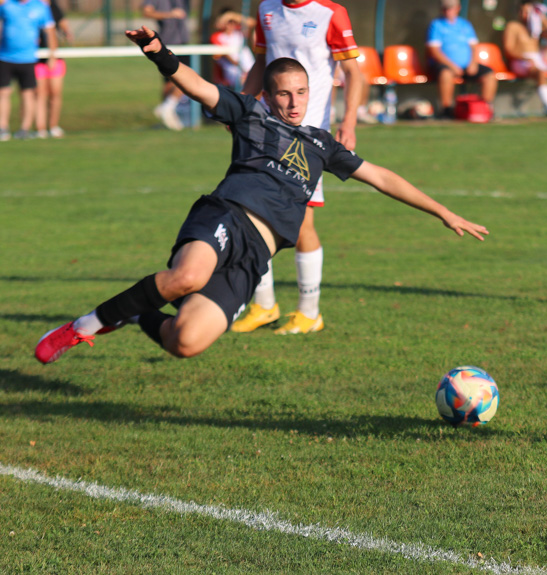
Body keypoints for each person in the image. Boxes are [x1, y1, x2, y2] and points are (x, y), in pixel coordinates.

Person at [34, 26, 489, 366]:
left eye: (301, 93)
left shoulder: (321, 144)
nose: (294, 102)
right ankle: (81, 327)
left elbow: (383, 178)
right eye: (284, 94)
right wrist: (160, 55)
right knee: (187, 277)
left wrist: (443, 212)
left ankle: (135, 314)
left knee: (185, 343)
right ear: (269, 97)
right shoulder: (250, 116)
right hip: (228, 215)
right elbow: (199, 87)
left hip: (256, 255)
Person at [232, 0, 365, 336]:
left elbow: (353, 72)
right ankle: (263, 305)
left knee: (302, 221)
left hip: (307, 138)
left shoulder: (330, 13)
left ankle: (309, 312)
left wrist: (349, 121)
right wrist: (241, 106)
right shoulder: (266, 9)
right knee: (252, 214)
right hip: (264, 132)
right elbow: (262, 64)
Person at [426, 0, 498, 119]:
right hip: (446, 66)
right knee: (445, 73)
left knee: (489, 74)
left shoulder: (465, 25)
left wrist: (473, 63)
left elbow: (473, 47)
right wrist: (453, 66)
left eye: (451, 8)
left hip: (467, 65)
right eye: (446, 8)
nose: (448, 11)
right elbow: (434, 51)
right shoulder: (436, 25)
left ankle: (484, 108)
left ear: (458, 8)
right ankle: (446, 110)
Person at [0, 0, 56, 141]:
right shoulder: (6, 5)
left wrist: (52, 54)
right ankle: (3, 128)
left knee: (28, 94)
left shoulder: (40, 7)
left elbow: (50, 31)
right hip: (5, 56)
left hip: (28, 58)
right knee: (3, 92)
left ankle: (24, 129)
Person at [503, 1, 547, 117]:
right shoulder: (513, 26)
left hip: (537, 59)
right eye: (521, 12)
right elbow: (508, 50)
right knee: (540, 73)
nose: (524, 15)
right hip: (521, 61)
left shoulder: (535, 27)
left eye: (527, 12)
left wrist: (542, 18)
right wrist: (524, 57)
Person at [141, 0, 190, 131]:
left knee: (175, 80)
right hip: (169, 43)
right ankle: (168, 107)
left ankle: (167, 113)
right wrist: (170, 14)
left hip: (183, 43)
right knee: (181, 79)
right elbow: (146, 12)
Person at [34, 0, 71, 138]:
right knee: (39, 94)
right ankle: (40, 128)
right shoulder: (31, 7)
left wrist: (67, 33)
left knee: (55, 94)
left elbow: (63, 24)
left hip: (55, 57)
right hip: (36, 58)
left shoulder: (53, 7)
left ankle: (53, 126)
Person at [210, 10, 255, 88]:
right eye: (228, 22)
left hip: (248, 66)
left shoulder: (239, 32)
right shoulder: (217, 36)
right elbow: (225, 54)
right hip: (231, 70)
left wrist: (233, 16)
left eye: (232, 22)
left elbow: (252, 22)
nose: (231, 25)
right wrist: (238, 65)